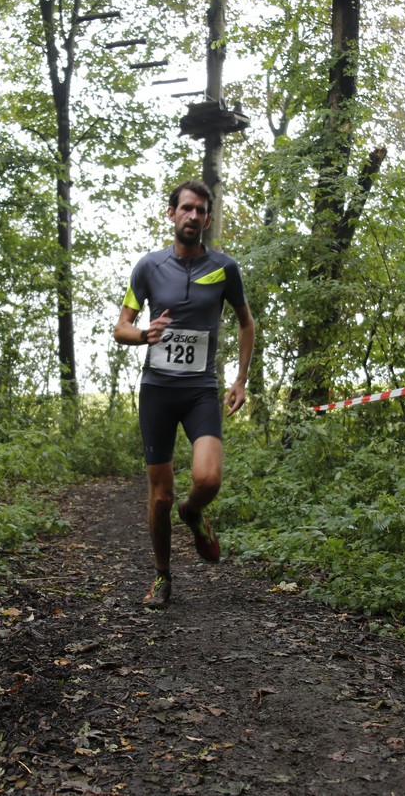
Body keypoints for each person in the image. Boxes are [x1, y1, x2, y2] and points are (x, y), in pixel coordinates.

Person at [112, 179, 255, 607]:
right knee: (160, 496)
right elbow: (120, 328)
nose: (193, 216)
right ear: (172, 213)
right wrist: (145, 334)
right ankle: (162, 576)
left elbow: (246, 323)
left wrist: (240, 380)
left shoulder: (225, 268)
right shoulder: (147, 267)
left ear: (207, 220)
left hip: (200, 390)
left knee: (208, 479)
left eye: (201, 211)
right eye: (187, 208)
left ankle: (192, 513)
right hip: (157, 390)